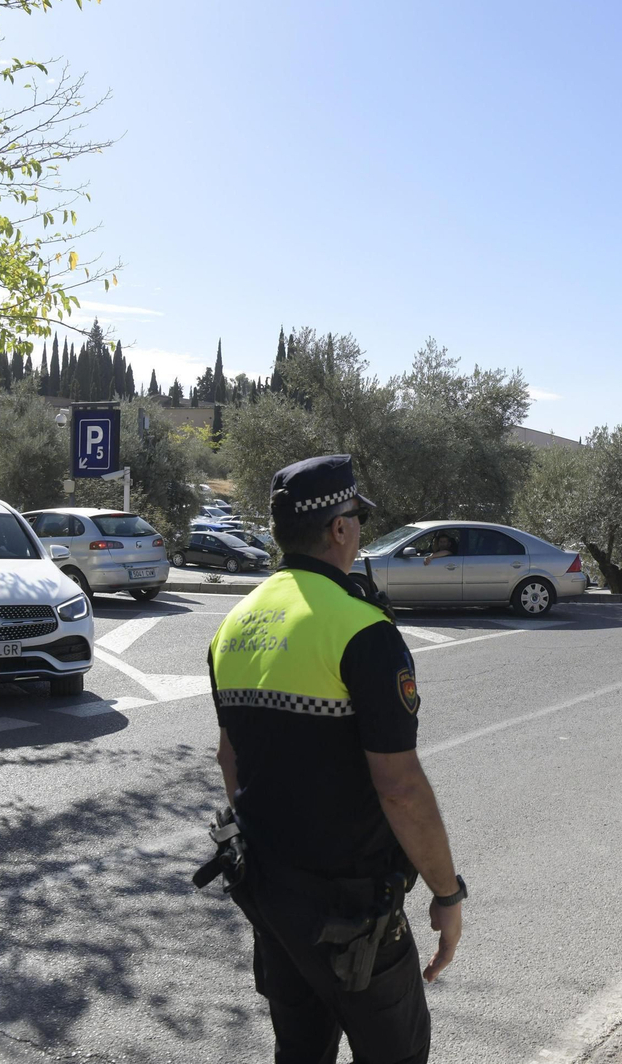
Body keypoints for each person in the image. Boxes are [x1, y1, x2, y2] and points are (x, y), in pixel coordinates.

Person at [208, 454, 464, 1064]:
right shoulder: (360, 628)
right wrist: (447, 894)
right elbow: (400, 788)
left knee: (299, 1052)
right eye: (358, 521)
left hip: (271, 893)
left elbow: (229, 759)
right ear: (341, 528)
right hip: (353, 912)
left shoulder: (233, 626)